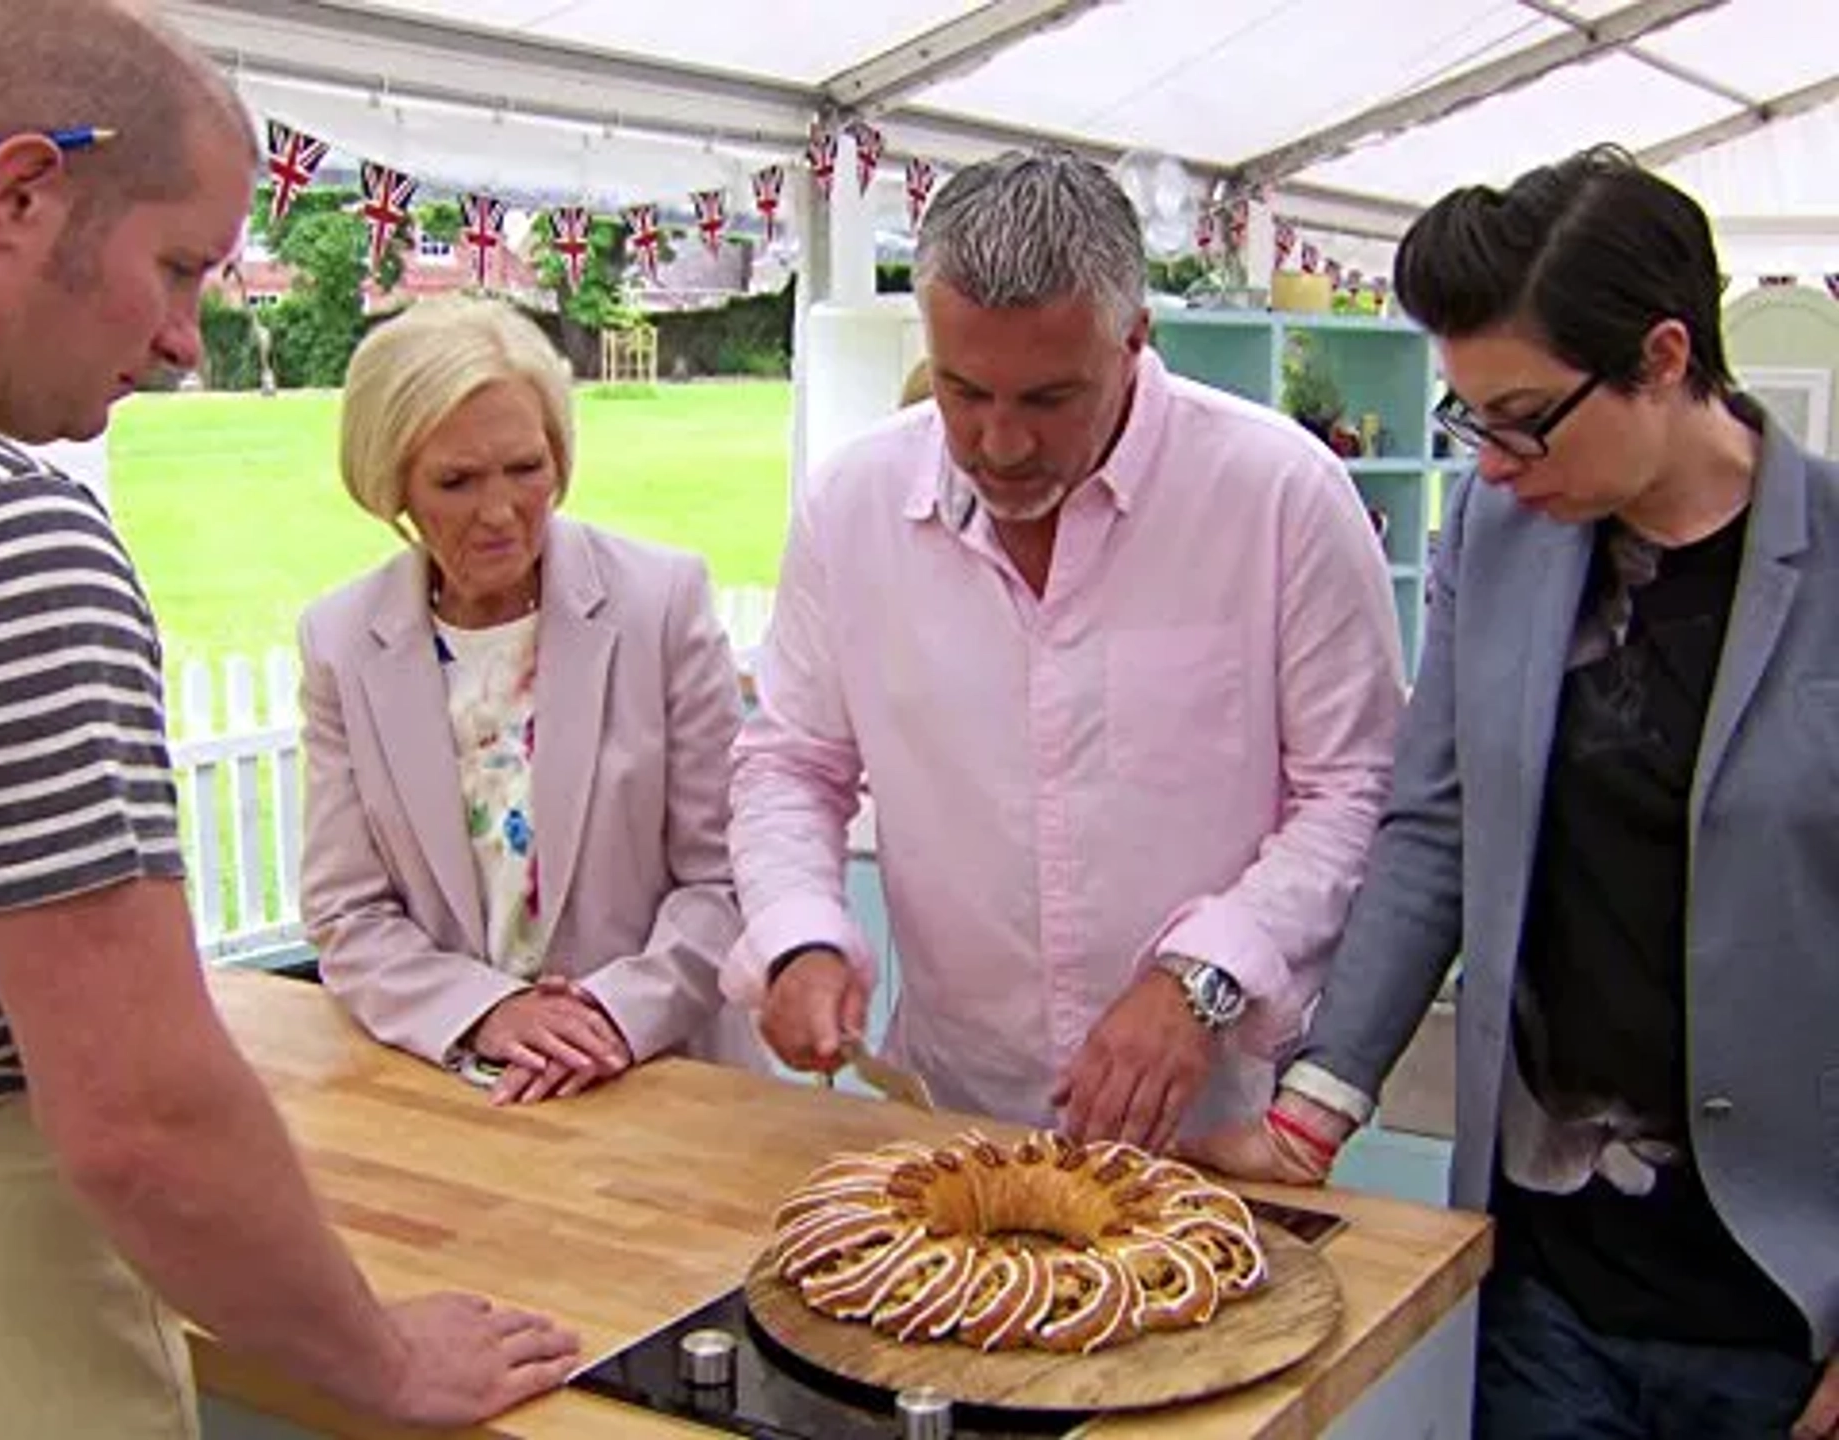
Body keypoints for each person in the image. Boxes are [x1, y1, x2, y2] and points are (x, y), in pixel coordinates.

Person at [0, 3, 578, 1435]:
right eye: (176, 265)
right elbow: (143, 1122)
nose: (179, 338)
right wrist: (382, 1360)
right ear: (17, 191)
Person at [1191, 146, 1839, 1440]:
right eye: (1467, 417)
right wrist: (1314, 1112)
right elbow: (1436, 827)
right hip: (1539, 1277)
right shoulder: (1501, 537)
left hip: (1785, 1296)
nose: (1489, 462)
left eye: (1524, 416)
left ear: (1664, 358)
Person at [725, 149, 1406, 1150]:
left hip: (1217, 1137)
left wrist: (1202, 978)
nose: (1000, 444)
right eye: (963, 393)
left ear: (1137, 337)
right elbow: (793, 763)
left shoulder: (1281, 495)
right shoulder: (853, 504)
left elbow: (1354, 790)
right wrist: (800, 933)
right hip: (948, 1115)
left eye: (1048, 400)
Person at [300, 297, 759, 1107]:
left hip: (663, 1083)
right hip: (450, 1095)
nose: (501, 512)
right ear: (391, 484)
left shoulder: (661, 603)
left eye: (526, 469)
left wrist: (611, 1016)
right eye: (456, 481)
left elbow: (724, 879)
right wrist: (486, 1010)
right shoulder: (341, 641)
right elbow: (348, 912)